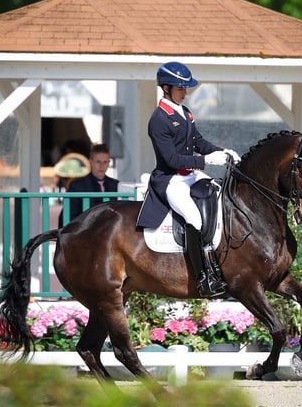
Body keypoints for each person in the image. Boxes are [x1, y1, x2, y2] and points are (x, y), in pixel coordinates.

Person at [136, 61, 240, 298]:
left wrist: (222, 152)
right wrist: (206, 161)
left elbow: (198, 142)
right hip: (172, 180)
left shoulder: (184, 112)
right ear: (166, 88)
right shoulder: (159, 119)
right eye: (180, 88)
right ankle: (202, 277)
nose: (185, 92)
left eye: (185, 88)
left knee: (219, 194)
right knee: (194, 218)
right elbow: (172, 159)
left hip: (191, 175)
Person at [66, 143, 119, 222]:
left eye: (105, 162)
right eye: (98, 162)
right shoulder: (77, 185)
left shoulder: (116, 184)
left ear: (109, 163)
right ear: (90, 162)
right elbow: (70, 215)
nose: (101, 166)